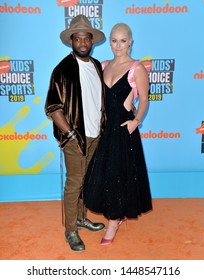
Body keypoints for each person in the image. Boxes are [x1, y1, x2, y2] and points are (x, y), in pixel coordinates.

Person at [83, 23, 152, 245]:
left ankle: (113, 221)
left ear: (130, 41)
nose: (118, 45)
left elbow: (144, 99)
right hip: (104, 130)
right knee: (104, 175)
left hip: (123, 130)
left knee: (118, 175)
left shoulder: (137, 68)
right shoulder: (103, 65)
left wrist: (136, 121)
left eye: (123, 41)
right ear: (109, 41)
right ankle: (115, 214)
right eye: (114, 40)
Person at [44, 15, 106, 252]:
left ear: (92, 41)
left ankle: (81, 218)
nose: (82, 42)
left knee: (85, 181)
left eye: (86, 38)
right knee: (74, 183)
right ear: (72, 40)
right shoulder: (63, 69)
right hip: (74, 137)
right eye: (77, 38)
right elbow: (53, 107)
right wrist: (70, 134)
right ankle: (71, 230)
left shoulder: (97, 66)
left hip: (95, 134)